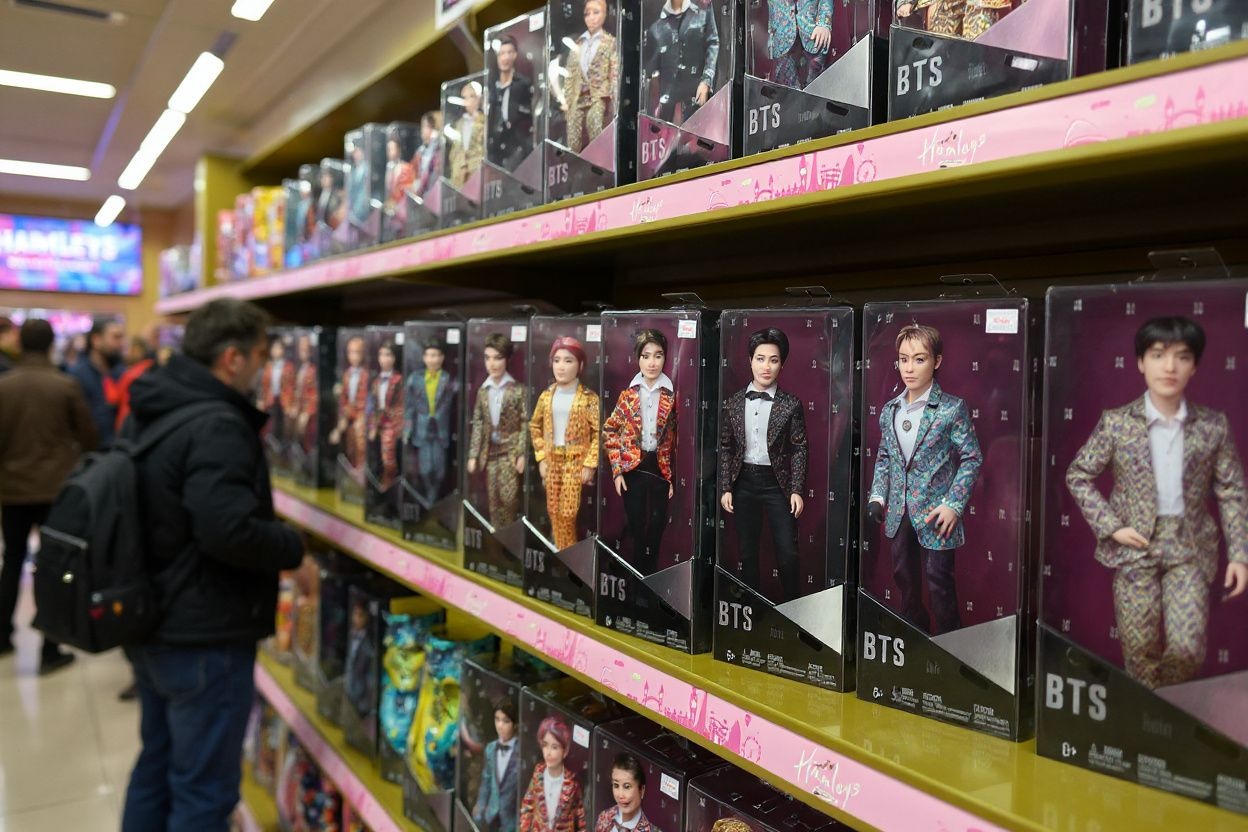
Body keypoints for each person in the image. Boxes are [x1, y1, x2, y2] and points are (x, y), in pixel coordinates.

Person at [121, 297, 303, 831]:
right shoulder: (218, 423)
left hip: (152, 616)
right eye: (261, 355)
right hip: (204, 633)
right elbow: (227, 530)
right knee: (203, 792)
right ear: (232, 358)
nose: (264, 367)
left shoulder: (155, 402)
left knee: (157, 767)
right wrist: (293, 548)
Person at [1067, 316, 1248, 689]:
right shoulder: (1117, 423)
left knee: (1188, 649)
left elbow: (1232, 490)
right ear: (1140, 362)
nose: (1169, 367)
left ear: (1194, 366)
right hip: (1135, 547)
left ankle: (1161, 703)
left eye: (1182, 356)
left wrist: (1240, 554)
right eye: (1158, 354)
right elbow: (1078, 474)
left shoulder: (1212, 426)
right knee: (1139, 650)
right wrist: (1112, 526)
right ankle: (1150, 714)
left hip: (1189, 546)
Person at [867, 323, 982, 636]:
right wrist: (877, 496)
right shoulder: (890, 410)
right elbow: (885, 457)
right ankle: (913, 639)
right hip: (899, 511)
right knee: (905, 580)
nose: (909, 368)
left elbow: (972, 457)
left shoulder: (951, 409)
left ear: (936, 361)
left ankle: (950, 648)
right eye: (903, 359)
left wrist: (953, 505)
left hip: (936, 512)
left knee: (939, 584)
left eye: (919, 359)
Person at [0, 319, 97, 671]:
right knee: (54, 566)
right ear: (51, 343)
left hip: (12, 490)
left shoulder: (4, 386)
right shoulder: (64, 385)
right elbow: (89, 436)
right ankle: (50, 647)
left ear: (20, 344)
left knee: (12, 560)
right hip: (55, 491)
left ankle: (1, 635)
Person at [719, 328, 808, 603]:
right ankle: (751, 608)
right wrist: (726, 486)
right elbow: (726, 447)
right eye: (760, 359)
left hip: (776, 484)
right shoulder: (733, 402)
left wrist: (796, 489)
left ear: (782, 364)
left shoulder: (791, 404)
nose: (766, 366)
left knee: (787, 552)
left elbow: (799, 448)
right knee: (747, 552)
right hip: (743, 481)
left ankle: (793, 609)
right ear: (750, 360)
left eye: (773, 360)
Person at [603, 329, 677, 576]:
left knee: (656, 528)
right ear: (638, 358)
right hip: (632, 469)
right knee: (636, 527)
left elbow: (676, 440)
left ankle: (650, 578)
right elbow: (610, 430)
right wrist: (617, 470)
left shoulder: (671, 396)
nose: (652, 363)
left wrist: (670, 477)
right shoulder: (628, 396)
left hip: (658, 468)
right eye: (646, 356)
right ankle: (635, 578)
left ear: (665, 358)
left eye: (658, 355)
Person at [530, 337, 600, 551]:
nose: (561, 366)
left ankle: (568, 554)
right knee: (553, 510)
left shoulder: (588, 398)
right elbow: (535, 426)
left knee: (568, 512)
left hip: (575, 462)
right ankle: (563, 553)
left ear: (580, 365)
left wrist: (590, 463)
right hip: (552, 461)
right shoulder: (546, 396)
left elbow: (599, 432)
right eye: (557, 360)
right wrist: (541, 457)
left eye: (568, 361)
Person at [467, 333, 528, 527]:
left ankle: (508, 535)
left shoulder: (518, 390)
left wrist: (522, 452)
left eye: (497, 358)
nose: (492, 364)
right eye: (488, 358)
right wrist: (473, 455)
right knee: (493, 499)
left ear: (507, 360)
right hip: (490, 453)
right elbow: (478, 423)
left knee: (509, 499)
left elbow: (525, 423)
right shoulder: (483, 391)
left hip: (510, 452)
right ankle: (497, 535)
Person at [643, 0, 720, 124]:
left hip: (696, 93)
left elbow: (713, 43)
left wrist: (706, 80)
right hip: (666, 99)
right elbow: (650, 65)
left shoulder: (703, 9)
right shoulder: (655, 22)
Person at [405, 337, 458, 511]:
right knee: (425, 469)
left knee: (440, 470)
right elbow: (409, 407)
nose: (432, 359)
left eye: (435, 355)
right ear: (423, 357)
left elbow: (452, 404)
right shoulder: (415, 379)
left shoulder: (448, 379)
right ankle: (430, 498)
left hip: (440, 431)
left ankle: (432, 499)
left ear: (442, 358)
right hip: (422, 430)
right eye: (428, 355)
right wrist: (406, 430)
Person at [562, 0, 618, 154]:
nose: (591, 18)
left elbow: (614, 72)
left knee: (595, 125)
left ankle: (599, 160)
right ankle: (575, 162)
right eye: (587, 14)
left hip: (599, 96)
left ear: (605, 14)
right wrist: (567, 101)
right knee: (573, 135)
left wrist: (614, 100)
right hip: (578, 96)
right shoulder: (578, 44)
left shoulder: (610, 42)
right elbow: (570, 74)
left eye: (596, 12)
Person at [519, 716, 586, 832]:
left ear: (565, 751)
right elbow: (527, 806)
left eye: (554, 747)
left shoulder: (572, 783)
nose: (548, 753)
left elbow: (581, 818)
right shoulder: (538, 774)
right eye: (545, 745)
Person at [68, 317, 125, 448]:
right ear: (96, 340)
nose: (121, 343)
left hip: (118, 448)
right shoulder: (77, 375)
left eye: (122, 337)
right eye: (116, 337)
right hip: (89, 450)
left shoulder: (122, 373)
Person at [473, 697, 521, 832]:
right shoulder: (490, 749)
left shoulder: (521, 753)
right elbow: (486, 780)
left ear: (515, 724)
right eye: (497, 719)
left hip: (511, 820)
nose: (500, 725)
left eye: (506, 721)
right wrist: (480, 805)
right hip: (491, 814)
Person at [488, 34, 535, 170]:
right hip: (496, 148)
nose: (505, 57)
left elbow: (531, 113)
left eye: (509, 52)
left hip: (517, 146)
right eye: (502, 53)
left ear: (515, 55)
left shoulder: (523, 83)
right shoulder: (492, 87)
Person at [763, 0, 832, 89]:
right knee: (786, 89)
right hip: (782, 38)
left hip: (814, 36)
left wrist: (824, 23)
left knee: (815, 88)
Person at [593, 753, 657, 832]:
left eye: (627, 786)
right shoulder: (604, 817)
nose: (620, 795)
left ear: (642, 790)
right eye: (616, 785)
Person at [448, 80, 486, 189]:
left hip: (477, 173)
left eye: (472, 96)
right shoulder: (459, 124)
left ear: (479, 98)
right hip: (459, 175)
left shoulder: (485, 121)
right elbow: (455, 150)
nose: (468, 101)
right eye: (465, 97)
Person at [115, 334, 156, 433]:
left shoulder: (130, 374)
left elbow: (115, 398)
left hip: (127, 423)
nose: (125, 353)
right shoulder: (154, 369)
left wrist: (106, 381)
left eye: (127, 349)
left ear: (136, 351)